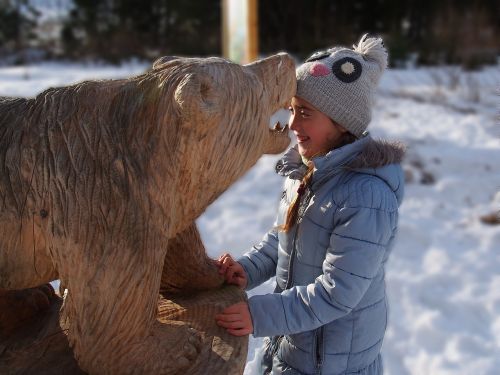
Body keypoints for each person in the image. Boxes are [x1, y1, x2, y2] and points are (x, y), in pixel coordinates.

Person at [216, 34, 405, 375]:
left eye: (305, 113)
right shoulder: (304, 173)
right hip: (289, 349)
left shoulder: (366, 197)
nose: (292, 125)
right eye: (291, 110)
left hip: (332, 366)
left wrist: (258, 315)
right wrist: (247, 269)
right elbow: (281, 243)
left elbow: (337, 293)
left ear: (342, 121)